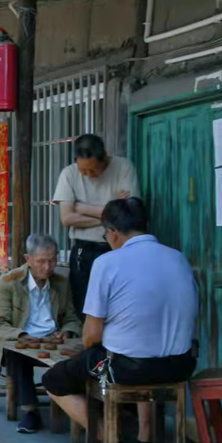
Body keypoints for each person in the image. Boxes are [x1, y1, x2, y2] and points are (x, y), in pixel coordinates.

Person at [42, 197, 198, 443]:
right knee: (138, 347)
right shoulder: (178, 259)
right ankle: (144, 438)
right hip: (179, 367)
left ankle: (113, 439)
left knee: (53, 380)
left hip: (127, 369)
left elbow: (91, 336)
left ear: (113, 233)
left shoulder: (107, 263)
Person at [0, 233, 83, 434]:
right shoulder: (8, 282)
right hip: (21, 339)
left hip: (53, 340)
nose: (47, 267)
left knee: (81, 354)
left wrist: (66, 331)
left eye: (52, 261)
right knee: (17, 354)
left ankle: (76, 409)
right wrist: (21, 335)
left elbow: (72, 318)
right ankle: (30, 411)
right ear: (28, 259)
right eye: (41, 261)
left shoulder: (61, 283)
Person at [52, 133, 139, 315]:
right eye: (83, 171)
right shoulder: (69, 174)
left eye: (93, 170)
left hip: (116, 248)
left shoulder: (123, 167)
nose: (88, 175)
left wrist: (82, 207)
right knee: (84, 306)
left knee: (117, 306)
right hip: (84, 250)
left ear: (104, 158)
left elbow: (128, 213)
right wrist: (110, 210)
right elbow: (67, 219)